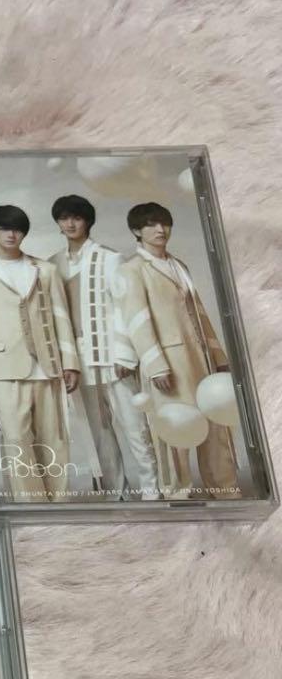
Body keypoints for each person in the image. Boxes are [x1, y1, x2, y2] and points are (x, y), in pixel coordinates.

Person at [117, 201, 239, 499]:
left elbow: (200, 314)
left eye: (164, 223)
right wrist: (156, 365)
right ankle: (177, 493)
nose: (160, 229)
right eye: (151, 224)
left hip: (201, 358)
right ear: (136, 231)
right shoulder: (132, 270)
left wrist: (218, 356)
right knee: (175, 425)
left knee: (214, 422)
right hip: (169, 361)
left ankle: (223, 488)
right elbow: (137, 321)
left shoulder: (179, 265)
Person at [0, 205, 81, 501]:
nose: (11, 234)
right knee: (16, 438)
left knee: (54, 438)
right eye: (4, 228)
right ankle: (31, 504)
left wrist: (70, 363)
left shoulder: (45, 270)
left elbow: (61, 317)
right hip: (2, 366)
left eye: (17, 229)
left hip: (47, 364)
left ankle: (59, 503)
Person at [48, 194, 159, 500]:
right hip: (77, 359)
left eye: (77, 217)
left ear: (88, 221)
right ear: (58, 223)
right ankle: (116, 492)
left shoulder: (110, 258)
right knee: (97, 431)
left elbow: (125, 308)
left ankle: (153, 490)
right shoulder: (52, 264)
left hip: (112, 355)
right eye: (64, 218)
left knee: (135, 427)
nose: (70, 224)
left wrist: (125, 355)